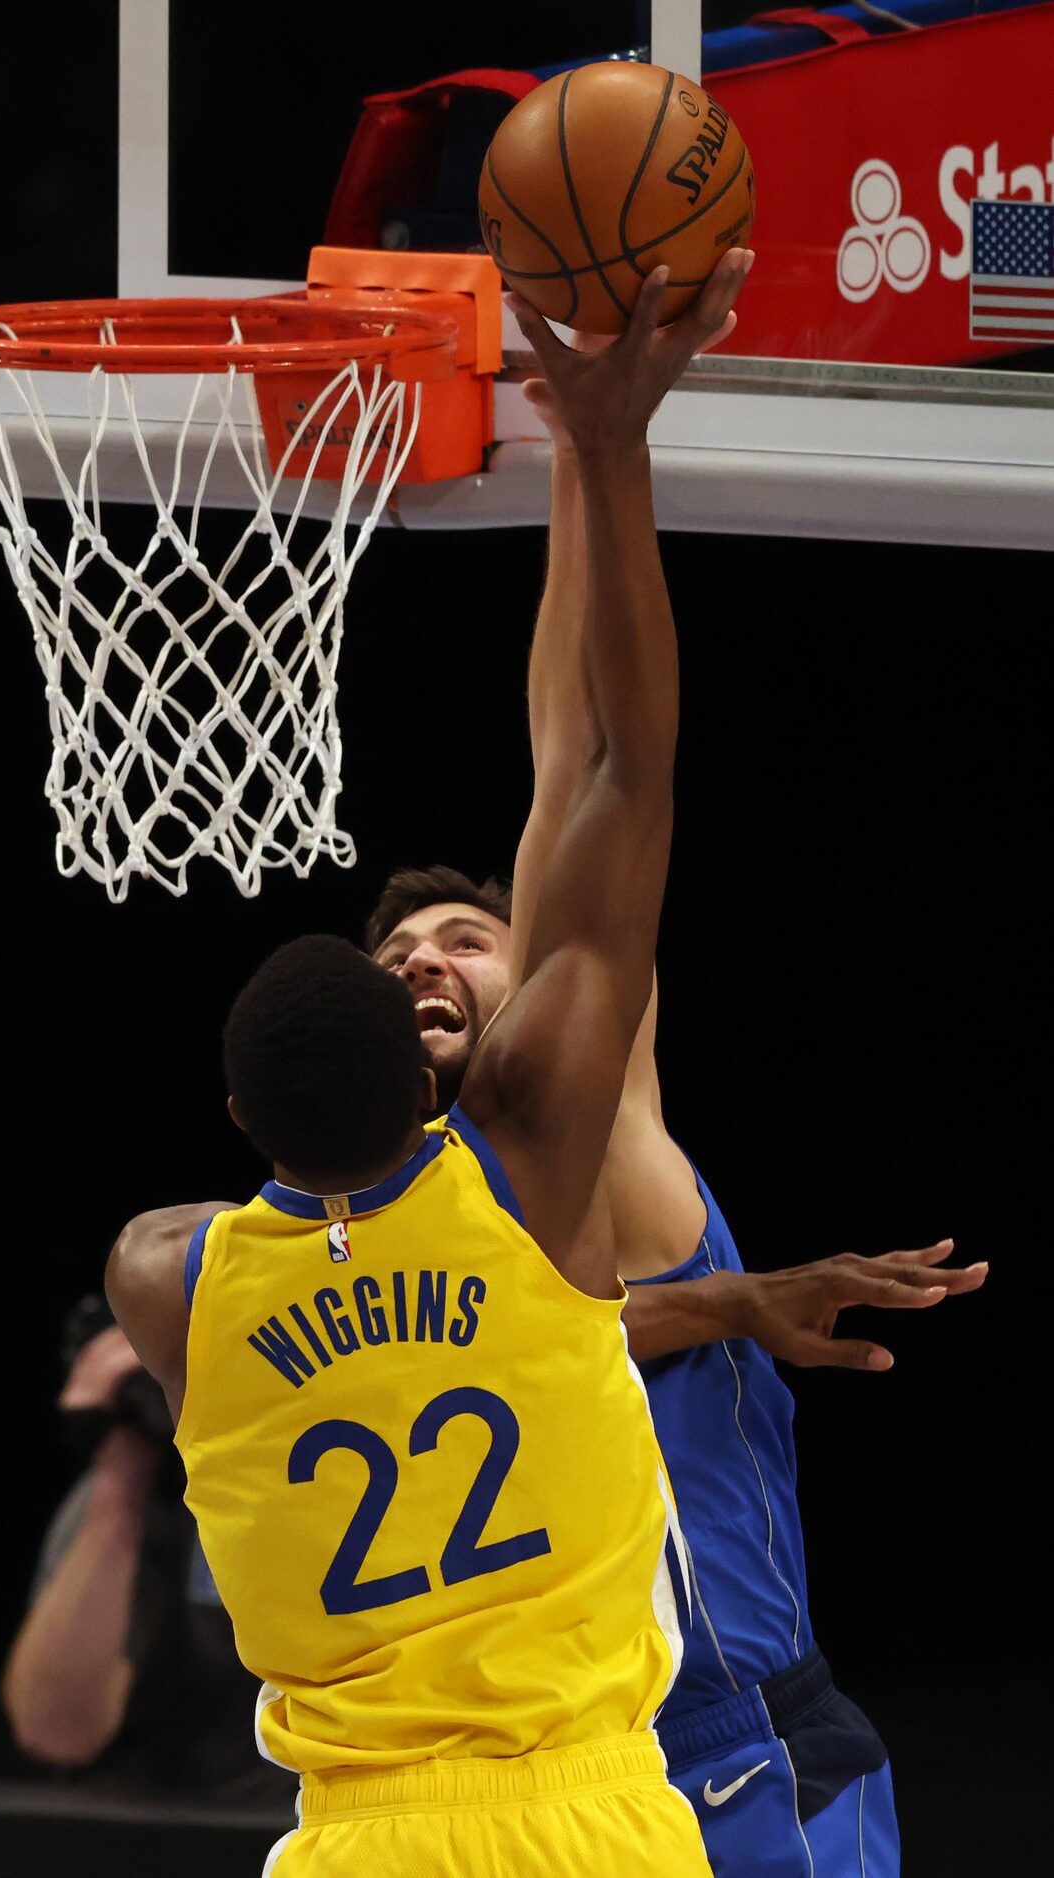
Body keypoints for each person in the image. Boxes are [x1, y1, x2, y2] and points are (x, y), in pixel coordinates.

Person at [107, 253, 756, 1878]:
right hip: (594, 1803)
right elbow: (612, 767)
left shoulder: (167, 1272)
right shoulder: (534, 1157)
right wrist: (603, 442)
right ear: (422, 1075)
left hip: (359, 1838)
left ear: (246, 1112)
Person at [359, 333, 989, 1873]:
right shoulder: (351, 1225)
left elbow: (583, 760)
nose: (424, 959)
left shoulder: (580, 1128)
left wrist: (593, 454)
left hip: (734, 1752)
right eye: (393, 953)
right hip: (532, 1789)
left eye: (464, 938)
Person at [1, 1301, 295, 1808]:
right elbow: (55, 1732)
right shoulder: (119, 1505)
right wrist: (120, 1458)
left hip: (298, 1825)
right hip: (142, 1831)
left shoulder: (329, 1479)